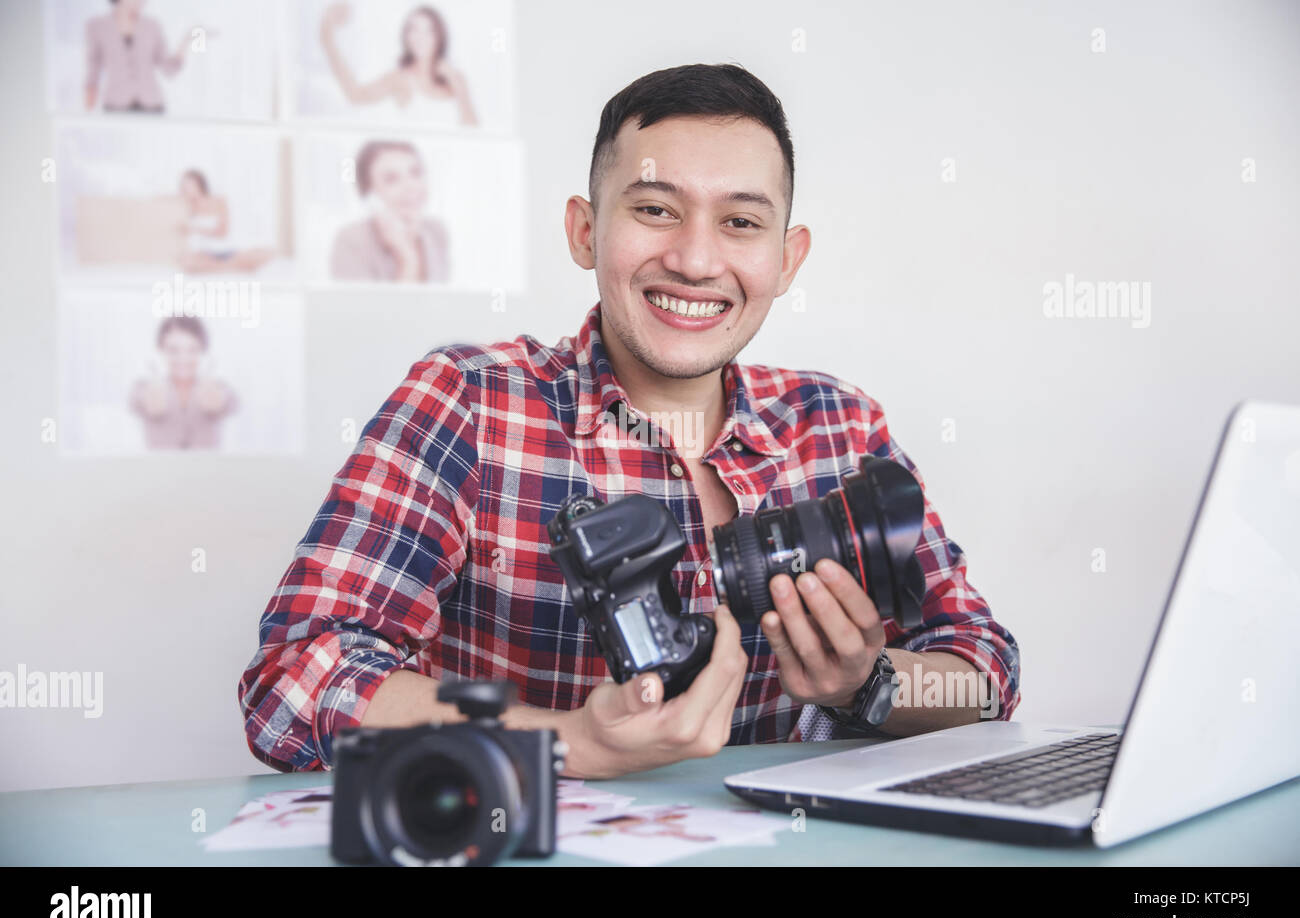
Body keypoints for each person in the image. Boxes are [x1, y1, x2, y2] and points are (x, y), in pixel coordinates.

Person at [240, 64, 1020, 777]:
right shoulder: (472, 402)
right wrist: (568, 743)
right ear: (586, 231)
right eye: (655, 209)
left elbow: (986, 678)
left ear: (787, 259)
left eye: (741, 223)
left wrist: (869, 683)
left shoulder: (838, 425)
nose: (694, 259)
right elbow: (296, 682)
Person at [318, 2, 478, 126]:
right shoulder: (400, 79)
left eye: (429, 30)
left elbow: (473, 132)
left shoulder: (457, 79)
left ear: (440, 36)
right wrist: (328, 40)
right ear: (406, 36)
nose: (420, 37)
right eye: (413, 29)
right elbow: (355, 95)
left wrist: (458, 86)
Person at [328, 141, 450, 283]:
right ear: (370, 195)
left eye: (415, 173)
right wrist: (407, 259)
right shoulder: (351, 241)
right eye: (392, 179)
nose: (411, 186)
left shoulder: (436, 231)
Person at [130, 314, 239, 450]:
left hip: (207, 469)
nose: (184, 358)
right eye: (173, 350)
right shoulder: (143, 387)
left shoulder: (220, 387)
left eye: (192, 349)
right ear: (160, 351)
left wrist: (207, 378)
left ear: (203, 351)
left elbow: (215, 404)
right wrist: (156, 374)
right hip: (160, 469)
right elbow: (154, 407)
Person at [84, 0, 199, 113]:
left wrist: (186, 41)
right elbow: (93, 67)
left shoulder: (152, 26)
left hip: (152, 105)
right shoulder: (97, 26)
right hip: (115, 104)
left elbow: (168, 69)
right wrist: (88, 107)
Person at [176, 170, 276, 274]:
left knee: (267, 253)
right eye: (184, 186)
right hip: (205, 254)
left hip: (228, 251)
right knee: (185, 262)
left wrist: (194, 229)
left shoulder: (219, 201)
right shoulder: (187, 207)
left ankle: (227, 266)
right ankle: (235, 266)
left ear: (199, 184)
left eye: (189, 185)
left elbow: (222, 232)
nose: (186, 189)